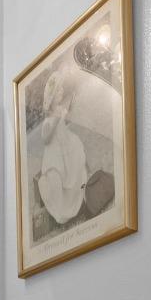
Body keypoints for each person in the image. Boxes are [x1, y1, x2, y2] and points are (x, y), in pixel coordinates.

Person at [36, 67, 89, 225]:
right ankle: (63, 211)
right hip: (54, 153)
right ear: (51, 97)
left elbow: (63, 125)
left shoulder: (59, 110)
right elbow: (45, 138)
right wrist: (57, 119)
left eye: (61, 89)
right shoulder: (48, 118)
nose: (62, 92)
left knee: (77, 150)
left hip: (65, 145)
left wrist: (67, 112)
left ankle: (78, 201)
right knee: (56, 177)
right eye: (58, 91)